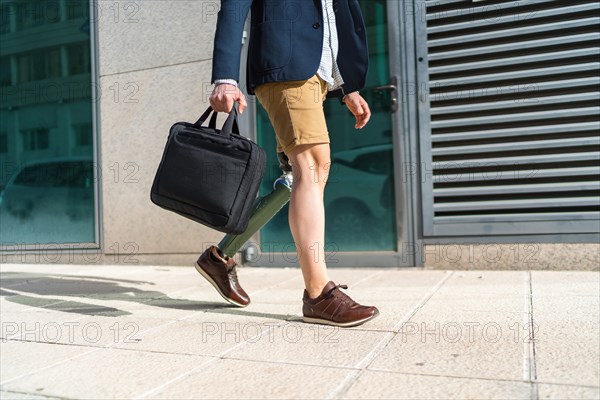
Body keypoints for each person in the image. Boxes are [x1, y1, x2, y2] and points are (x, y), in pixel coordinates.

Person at [195, 0, 379, 327]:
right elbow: (233, 7)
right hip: (286, 60)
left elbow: (331, 16)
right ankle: (319, 294)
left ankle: (219, 258)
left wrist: (348, 86)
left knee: (298, 177)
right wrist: (225, 76)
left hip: (319, 73)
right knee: (314, 163)